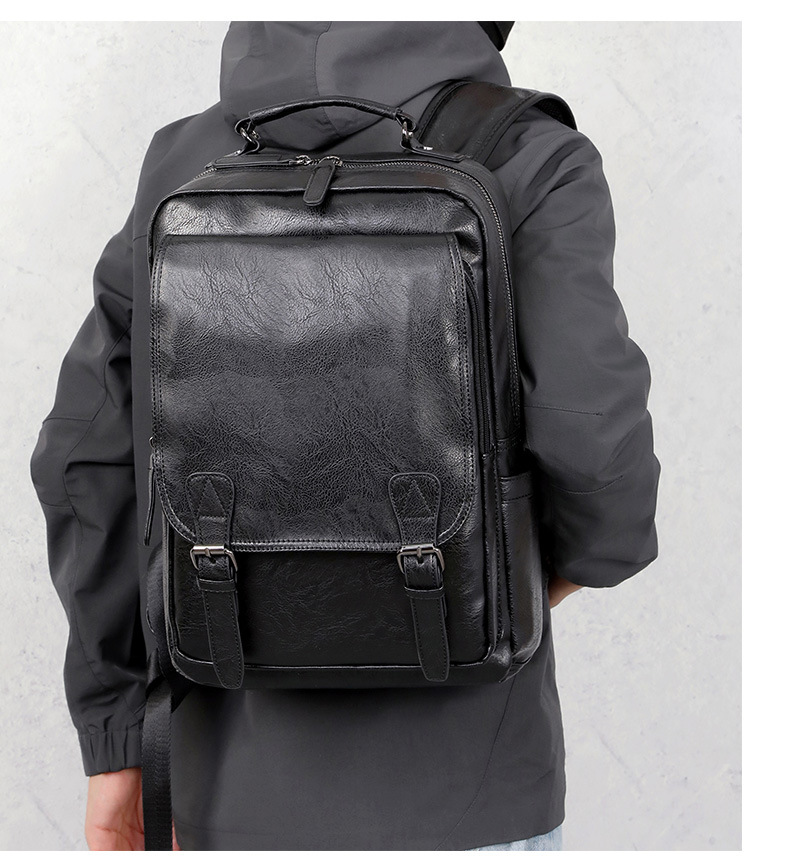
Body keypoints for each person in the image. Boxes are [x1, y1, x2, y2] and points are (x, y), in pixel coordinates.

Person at [30, 21, 660, 851]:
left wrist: (116, 744)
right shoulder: (530, 155)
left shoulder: (181, 164)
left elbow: (81, 454)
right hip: (468, 791)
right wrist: (511, 581)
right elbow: (595, 440)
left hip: (222, 791)